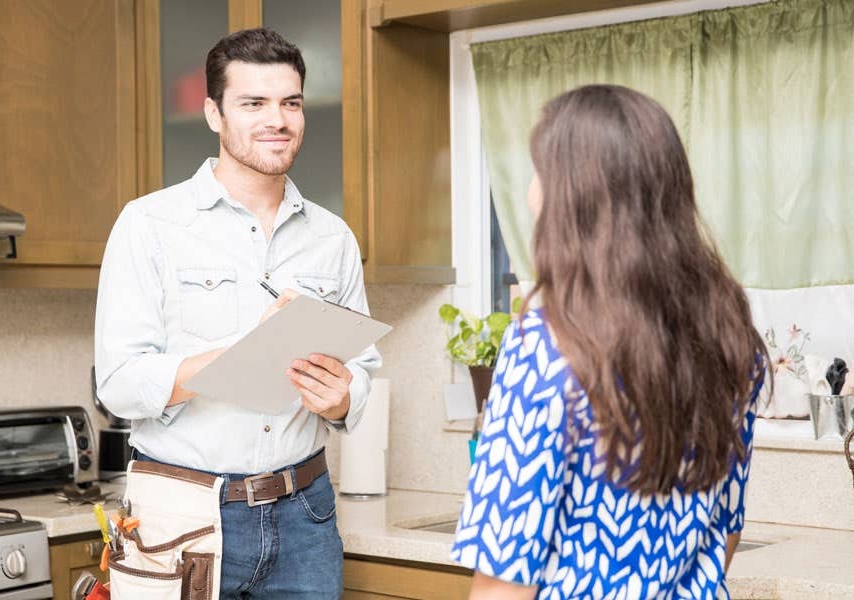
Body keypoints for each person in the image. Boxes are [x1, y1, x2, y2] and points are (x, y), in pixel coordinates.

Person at [451, 84, 769, 599]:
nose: (531, 192)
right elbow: (727, 529)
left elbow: (503, 578)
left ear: (574, 195)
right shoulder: (729, 336)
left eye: (539, 172)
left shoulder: (547, 342)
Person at [94, 28, 380, 599]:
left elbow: (363, 365)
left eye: (290, 103)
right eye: (253, 103)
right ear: (213, 113)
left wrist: (345, 395)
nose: (277, 119)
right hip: (180, 517)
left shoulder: (334, 237)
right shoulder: (149, 225)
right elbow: (119, 385)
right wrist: (241, 356)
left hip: (307, 516)